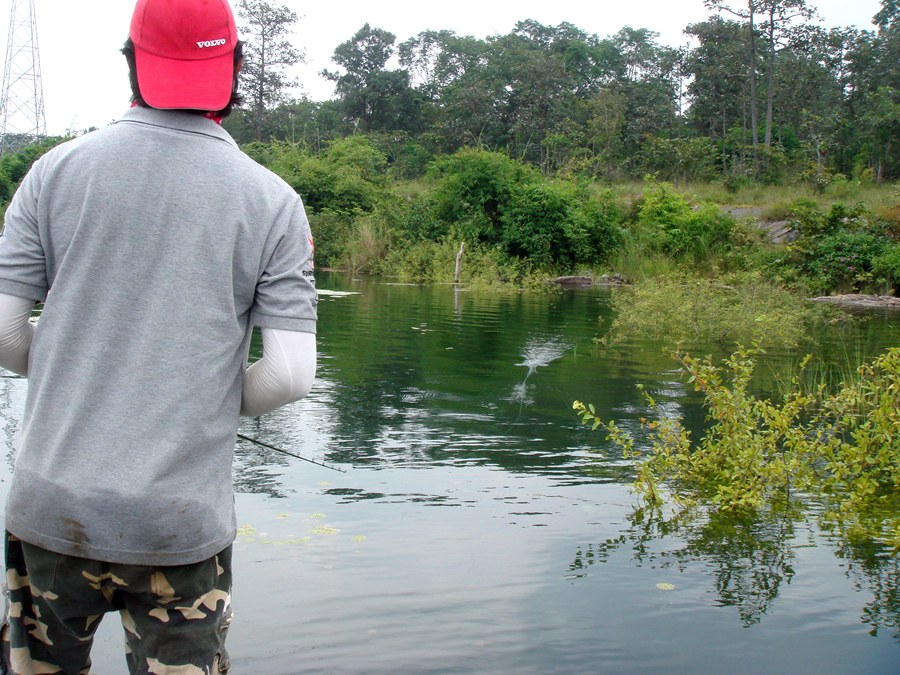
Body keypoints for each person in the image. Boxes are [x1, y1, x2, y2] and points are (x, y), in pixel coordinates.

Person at [0, 0, 317, 671]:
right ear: (231, 69)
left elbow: (2, 332)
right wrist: (197, 395)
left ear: (131, 65)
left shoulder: (51, 174)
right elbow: (290, 376)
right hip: (177, 526)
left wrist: (72, 368)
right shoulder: (274, 202)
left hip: (51, 514)